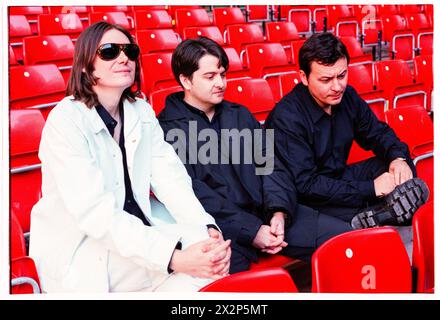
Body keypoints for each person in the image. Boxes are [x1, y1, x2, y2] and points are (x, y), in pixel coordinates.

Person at [29, 22, 231, 293]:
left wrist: (205, 228)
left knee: (212, 261)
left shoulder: (140, 111)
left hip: (137, 233)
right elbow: (95, 214)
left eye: (130, 51)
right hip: (87, 246)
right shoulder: (65, 121)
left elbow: (171, 179)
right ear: (86, 66)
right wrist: (174, 258)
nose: (124, 57)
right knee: (198, 265)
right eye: (110, 51)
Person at [158, 37, 353, 274]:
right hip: (222, 230)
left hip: (269, 215)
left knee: (347, 242)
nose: (220, 83)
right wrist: (252, 231)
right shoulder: (168, 129)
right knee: (244, 289)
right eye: (210, 77)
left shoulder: (239, 114)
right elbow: (194, 194)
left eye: (223, 74)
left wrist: (279, 212)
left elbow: (271, 165)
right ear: (185, 80)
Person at [265, 32, 429, 229]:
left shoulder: (347, 96)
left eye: (342, 76)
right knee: (317, 204)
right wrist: (372, 188)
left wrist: (398, 159)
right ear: (304, 78)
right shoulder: (287, 117)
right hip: (309, 194)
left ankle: (378, 212)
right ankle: (374, 212)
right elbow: (307, 185)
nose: (337, 86)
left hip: (340, 177)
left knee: (397, 164)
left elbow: (378, 133)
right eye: (326, 80)